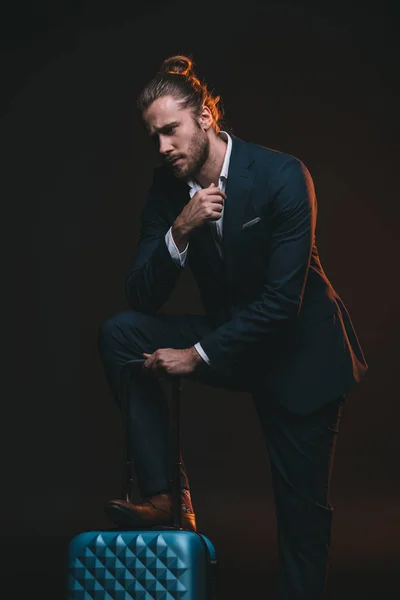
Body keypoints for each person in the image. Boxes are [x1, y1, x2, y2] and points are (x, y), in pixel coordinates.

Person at [98, 54, 368, 599]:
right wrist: (181, 229)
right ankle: (165, 496)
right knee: (121, 332)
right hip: (234, 338)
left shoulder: (281, 174)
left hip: (300, 352)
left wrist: (195, 355)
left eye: (171, 130)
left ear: (205, 117)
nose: (163, 147)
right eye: (153, 136)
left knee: (301, 522)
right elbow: (141, 294)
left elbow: (280, 305)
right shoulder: (168, 191)